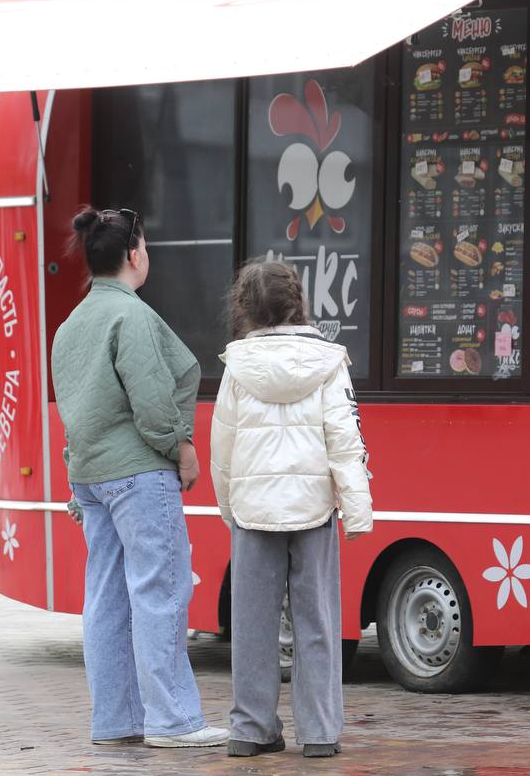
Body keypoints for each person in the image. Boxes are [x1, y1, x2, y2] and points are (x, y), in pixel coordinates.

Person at [50, 206, 228, 749]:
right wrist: (183, 447)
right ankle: (173, 720)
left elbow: (75, 408)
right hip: (139, 474)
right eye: (145, 246)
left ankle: (116, 719)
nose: (146, 254)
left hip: (89, 476)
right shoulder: (133, 317)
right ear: (133, 255)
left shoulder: (70, 325)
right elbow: (152, 400)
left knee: (105, 597)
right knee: (160, 592)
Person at [210, 260, 373, 759]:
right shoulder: (327, 361)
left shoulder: (236, 367)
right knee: (317, 623)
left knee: (252, 626)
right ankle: (320, 732)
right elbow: (346, 440)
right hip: (313, 510)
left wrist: (228, 506)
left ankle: (250, 730)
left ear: (246, 309)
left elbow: (223, 446)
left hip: (254, 511)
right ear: (298, 303)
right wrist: (358, 508)